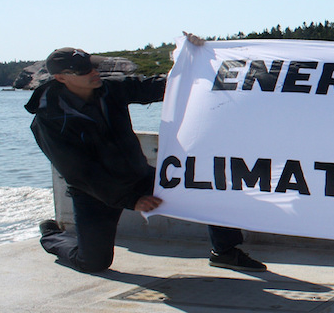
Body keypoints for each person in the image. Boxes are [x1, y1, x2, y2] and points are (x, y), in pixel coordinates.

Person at [26, 33, 266, 273]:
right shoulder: (49, 118)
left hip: (138, 175)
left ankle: (224, 252)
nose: (93, 72)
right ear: (61, 78)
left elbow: (161, 87)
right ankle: (52, 235)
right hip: (95, 191)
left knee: (209, 190)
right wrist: (131, 200)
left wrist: (195, 58)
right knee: (93, 262)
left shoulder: (109, 90)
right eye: (82, 71)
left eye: (92, 66)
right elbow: (78, 172)